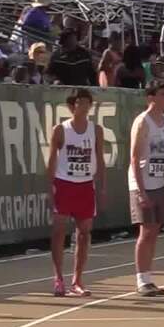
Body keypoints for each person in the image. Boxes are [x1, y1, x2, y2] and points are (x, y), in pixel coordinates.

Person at [47, 88, 105, 297]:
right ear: (72, 105)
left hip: (85, 184)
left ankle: (77, 280)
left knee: (84, 233)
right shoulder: (61, 130)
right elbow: (52, 159)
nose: (85, 106)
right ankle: (58, 278)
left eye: (88, 102)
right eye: (81, 102)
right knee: (59, 231)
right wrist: (49, 188)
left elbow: (100, 159)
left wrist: (102, 187)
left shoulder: (96, 130)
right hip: (64, 184)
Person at [127, 81, 164, 296]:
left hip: (159, 182)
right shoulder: (142, 122)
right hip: (143, 183)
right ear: (151, 98)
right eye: (163, 94)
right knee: (145, 231)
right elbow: (135, 158)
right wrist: (140, 189)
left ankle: (148, 277)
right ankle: (141, 279)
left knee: (154, 231)